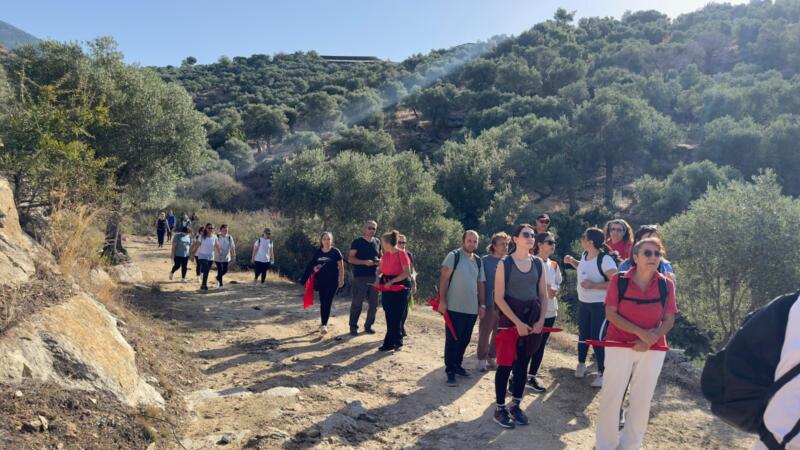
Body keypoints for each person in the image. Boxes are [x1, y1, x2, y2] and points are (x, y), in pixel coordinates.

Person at [595, 237, 677, 450]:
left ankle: (631, 445)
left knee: (642, 399)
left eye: (657, 254)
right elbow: (611, 314)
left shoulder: (666, 284)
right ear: (635, 257)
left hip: (653, 348)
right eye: (647, 253)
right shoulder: (619, 280)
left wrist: (651, 339)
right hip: (619, 344)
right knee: (612, 396)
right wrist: (641, 334)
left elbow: (669, 320)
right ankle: (606, 445)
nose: (653, 257)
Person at [492, 224, 549, 429]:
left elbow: (543, 296)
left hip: (532, 320)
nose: (531, 237)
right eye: (526, 234)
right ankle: (500, 409)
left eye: (533, 235)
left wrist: (541, 320)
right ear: (515, 239)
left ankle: (515, 405)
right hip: (509, 323)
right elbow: (499, 298)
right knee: (505, 366)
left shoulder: (538, 263)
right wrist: (517, 322)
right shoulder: (504, 263)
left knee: (523, 365)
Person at [564, 227, 618, 388]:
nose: (581, 239)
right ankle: (581, 365)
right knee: (583, 335)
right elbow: (584, 267)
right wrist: (572, 262)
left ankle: (603, 372)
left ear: (591, 242)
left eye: (583, 237)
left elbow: (615, 282)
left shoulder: (605, 260)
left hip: (600, 306)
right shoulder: (585, 255)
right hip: (584, 303)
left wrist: (593, 285)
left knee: (597, 338)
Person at [439, 230, 486, 387]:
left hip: (471, 309)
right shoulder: (454, 256)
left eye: (475, 241)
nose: (472, 244)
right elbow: (444, 278)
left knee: (465, 339)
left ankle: (457, 365)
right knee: (453, 340)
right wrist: (442, 300)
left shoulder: (478, 261)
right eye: (469, 240)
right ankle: (450, 370)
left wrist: (482, 304)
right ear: (463, 241)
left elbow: (481, 283)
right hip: (454, 307)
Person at [522, 232, 562, 393]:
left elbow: (558, 283)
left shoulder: (554, 265)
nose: (553, 245)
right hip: (534, 311)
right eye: (549, 242)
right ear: (539, 244)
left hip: (550, 311)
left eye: (554, 242)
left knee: (540, 346)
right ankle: (516, 376)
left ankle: (531, 376)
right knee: (527, 345)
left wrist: (555, 290)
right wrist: (545, 289)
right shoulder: (531, 262)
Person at [301, 232, 345, 335]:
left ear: (331, 240)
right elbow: (312, 264)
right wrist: (314, 268)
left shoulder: (335, 252)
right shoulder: (318, 252)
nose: (326, 241)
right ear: (321, 241)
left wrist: (341, 279)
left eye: (328, 239)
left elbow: (341, 267)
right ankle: (323, 323)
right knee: (322, 302)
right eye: (324, 239)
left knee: (327, 302)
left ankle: (324, 325)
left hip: (333, 282)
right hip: (321, 281)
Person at [478, 232, 509, 372]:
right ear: (494, 246)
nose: (505, 247)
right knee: (485, 332)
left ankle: (492, 357)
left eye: (507, 244)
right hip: (489, 303)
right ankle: (481, 359)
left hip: (504, 305)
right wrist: (482, 303)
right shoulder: (485, 261)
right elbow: (481, 282)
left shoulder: (509, 261)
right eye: (502, 244)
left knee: (499, 332)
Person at [377, 230, 413, 351]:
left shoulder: (402, 254)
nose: (381, 244)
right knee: (388, 313)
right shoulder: (385, 255)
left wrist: (392, 281)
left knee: (397, 315)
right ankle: (393, 341)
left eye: (382, 242)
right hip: (387, 285)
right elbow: (380, 270)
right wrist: (377, 279)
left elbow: (406, 273)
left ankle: (393, 342)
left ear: (388, 243)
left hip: (400, 285)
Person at [348, 220, 381, 336]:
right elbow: (351, 259)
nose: (371, 230)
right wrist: (364, 262)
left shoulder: (377, 242)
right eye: (369, 228)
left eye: (374, 229)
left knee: (374, 304)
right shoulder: (357, 242)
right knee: (357, 303)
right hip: (360, 277)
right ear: (364, 228)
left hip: (374, 277)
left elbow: (380, 257)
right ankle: (353, 327)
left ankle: (368, 326)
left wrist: (378, 261)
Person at [397, 234, 417, 338]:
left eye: (404, 242)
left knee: (405, 308)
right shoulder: (391, 254)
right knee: (395, 308)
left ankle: (401, 326)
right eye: (400, 242)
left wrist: (414, 284)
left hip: (407, 284)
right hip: (394, 284)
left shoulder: (409, 254)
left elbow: (412, 270)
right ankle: (396, 329)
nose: (402, 244)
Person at [193, 223, 221, 291]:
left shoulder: (214, 237)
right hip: (202, 256)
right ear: (206, 228)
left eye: (212, 228)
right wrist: (192, 254)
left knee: (206, 271)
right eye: (209, 228)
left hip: (210, 257)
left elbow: (217, 246)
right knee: (205, 268)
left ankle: (203, 285)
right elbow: (197, 246)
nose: (211, 229)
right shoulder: (201, 236)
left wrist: (220, 254)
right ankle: (204, 285)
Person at [215, 224, 236, 289]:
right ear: (220, 230)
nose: (225, 231)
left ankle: (217, 278)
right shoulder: (217, 236)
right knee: (220, 270)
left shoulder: (229, 237)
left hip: (226, 257)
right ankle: (221, 285)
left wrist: (233, 255)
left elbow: (232, 247)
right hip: (218, 256)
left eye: (226, 230)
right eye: (224, 230)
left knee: (225, 270)